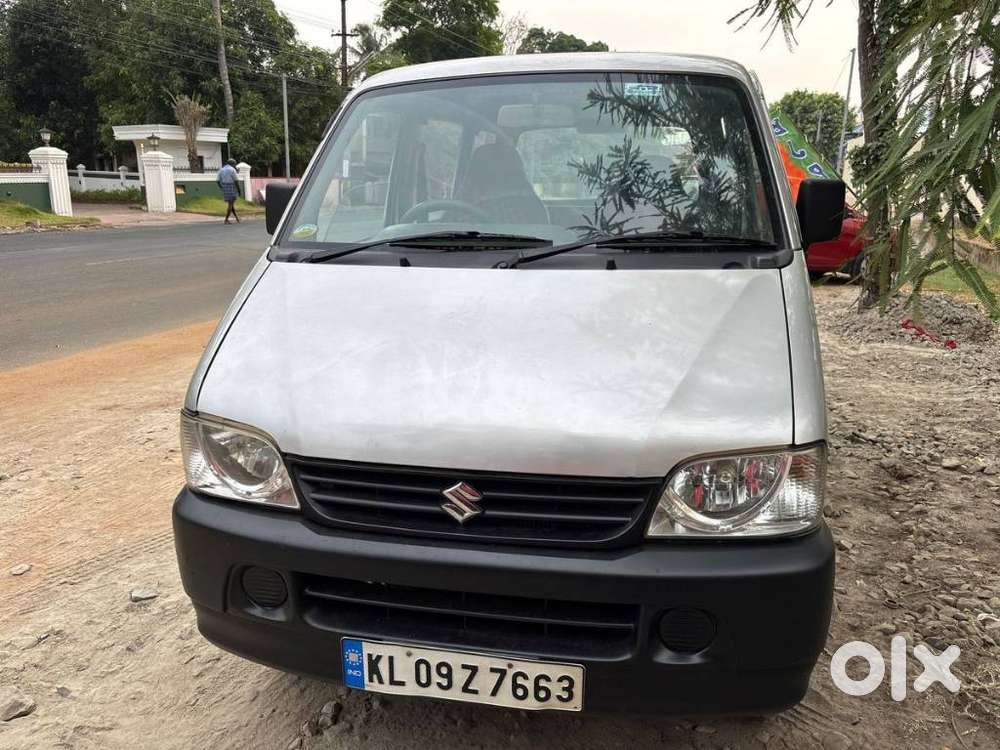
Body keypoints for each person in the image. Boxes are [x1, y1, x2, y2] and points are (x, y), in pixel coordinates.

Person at [217, 158, 241, 224]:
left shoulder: (221, 169)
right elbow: (236, 181)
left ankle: (237, 218)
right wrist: (239, 190)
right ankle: (226, 220)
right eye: (234, 164)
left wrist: (222, 187)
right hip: (231, 186)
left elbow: (217, 181)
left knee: (231, 203)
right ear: (232, 164)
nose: (235, 165)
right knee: (231, 204)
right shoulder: (232, 169)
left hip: (225, 186)